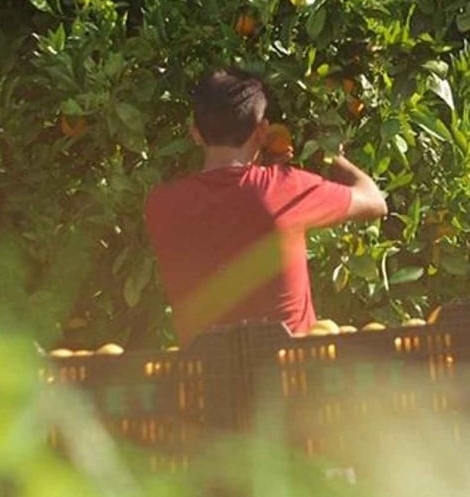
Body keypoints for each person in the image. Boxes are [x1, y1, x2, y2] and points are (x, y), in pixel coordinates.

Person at [145, 68, 387, 346]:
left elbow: (227, 209)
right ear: (261, 131)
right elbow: (374, 201)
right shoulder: (286, 188)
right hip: (290, 366)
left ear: (195, 133)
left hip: (207, 367)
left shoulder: (161, 204)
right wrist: (333, 156)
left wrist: (262, 169)